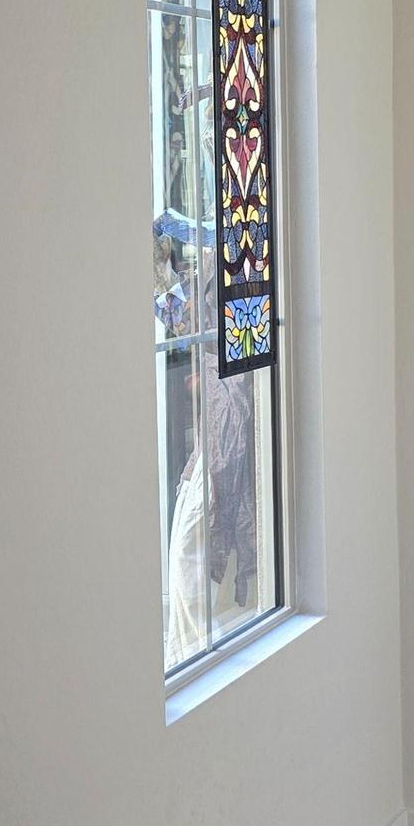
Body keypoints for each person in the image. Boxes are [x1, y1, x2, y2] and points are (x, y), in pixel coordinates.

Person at [155, 212, 258, 663]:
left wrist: (171, 239)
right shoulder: (221, 260)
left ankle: (192, 656)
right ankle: (189, 655)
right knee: (189, 551)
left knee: (190, 551)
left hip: (229, 425)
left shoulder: (239, 258)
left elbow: (185, 316)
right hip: (221, 424)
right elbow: (181, 315)